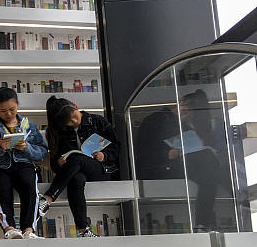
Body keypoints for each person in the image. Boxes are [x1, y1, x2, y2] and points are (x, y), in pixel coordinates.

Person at [135, 90, 224, 231]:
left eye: (190, 114)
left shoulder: (183, 126)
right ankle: (204, 221)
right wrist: (167, 154)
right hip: (156, 167)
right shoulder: (156, 120)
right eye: (186, 111)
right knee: (209, 162)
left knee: (209, 166)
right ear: (180, 102)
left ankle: (204, 222)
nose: (186, 116)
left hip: (176, 164)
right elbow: (142, 153)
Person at [39, 96, 120, 238]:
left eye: (74, 117)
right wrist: (58, 163)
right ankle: (84, 230)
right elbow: (54, 165)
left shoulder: (98, 121)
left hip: (101, 169)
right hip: (76, 172)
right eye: (69, 122)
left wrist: (104, 155)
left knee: (76, 159)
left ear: (75, 106)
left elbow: (117, 147)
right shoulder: (61, 131)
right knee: (76, 178)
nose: (74, 122)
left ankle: (48, 198)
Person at [0, 87, 48, 239]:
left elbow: (42, 152)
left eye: (12, 109)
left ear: (17, 105)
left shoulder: (29, 125)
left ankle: (28, 230)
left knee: (30, 188)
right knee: (3, 190)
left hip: (24, 165)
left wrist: (27, 148)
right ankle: (9, 228)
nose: (8, 114)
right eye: (3, 111)